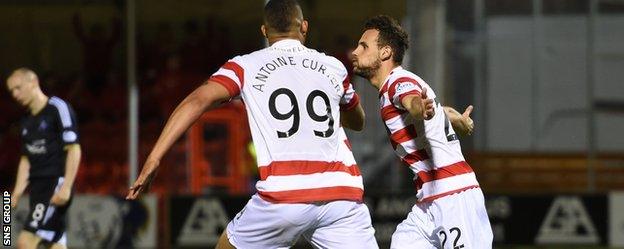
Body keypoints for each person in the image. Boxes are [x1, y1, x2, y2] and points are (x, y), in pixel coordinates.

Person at [126, 1, 378, 248]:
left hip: (283, 195)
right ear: (304, 27)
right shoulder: (334, 67)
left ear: (265, 31)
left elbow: (197, 100)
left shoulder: (245, 65)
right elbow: (358, 121)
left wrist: (154, 158)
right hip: (342, 195)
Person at [351, 15, 492, 248]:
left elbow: (412, 101)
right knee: (402, 243)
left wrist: (418, 108)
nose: (355, 51)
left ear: (385, 53)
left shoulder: (398, 82)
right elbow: (434, 108)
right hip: (429, 200)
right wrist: (457, 119)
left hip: (453, 196)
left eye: (364, 46)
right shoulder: (395, 85)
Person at [7, 68, 81, 249]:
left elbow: (73, 148)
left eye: (18, 88)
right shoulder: (25, 120)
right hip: (37, 188)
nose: (15, 95)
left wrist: (66, 187)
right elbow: (26, 158)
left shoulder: (57, 108)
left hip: (55, 184)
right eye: (11, 91)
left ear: (33, 82)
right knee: (53, 245)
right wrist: (16, 192)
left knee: (25, 242)